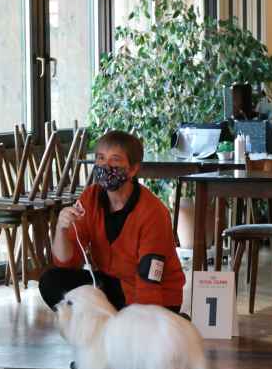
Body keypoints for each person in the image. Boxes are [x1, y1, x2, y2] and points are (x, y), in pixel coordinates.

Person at [39, 131, 185, 313]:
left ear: (133, 169)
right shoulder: (90, 198)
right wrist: (61, 229)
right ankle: (107, 324)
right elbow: (66, 263)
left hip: (157, 298)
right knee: (52, 281)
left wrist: (143, 321)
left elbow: (150, 280)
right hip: (113, 285)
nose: (105, 166)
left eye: (115, 160)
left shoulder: (153, 212)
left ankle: (118, 323)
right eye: (100, 158)